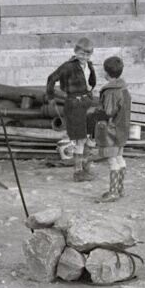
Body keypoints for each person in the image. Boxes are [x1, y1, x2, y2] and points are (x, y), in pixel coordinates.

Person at [46, 38, 97, 181]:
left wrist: (90, 89)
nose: (84, 57)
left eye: (87, 55)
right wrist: (50, 97)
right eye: (82, 54)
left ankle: (85, 168)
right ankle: (78, 172)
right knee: (80, 139)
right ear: (75, 51)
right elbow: (51, 78)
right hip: (74, 104)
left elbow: (91, 81)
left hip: (86, 102)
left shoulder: (89, 65)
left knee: (87, 138)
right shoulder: (67, 66)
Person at [94, 56, 131, 202]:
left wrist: (95, 112)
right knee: (119, 158)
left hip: (110, 131)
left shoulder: (110, 91)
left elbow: (108, 112)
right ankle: (119, 189)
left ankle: (113, 192)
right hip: (122, 129)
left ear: (106, 73)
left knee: (112, 160)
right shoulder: (124, 89)